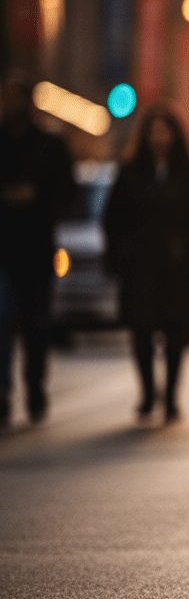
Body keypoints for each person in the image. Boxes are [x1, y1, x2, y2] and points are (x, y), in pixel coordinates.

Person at [103, 102, 189, 424]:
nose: (159, 137)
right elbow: (114, 218)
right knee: (140, 331)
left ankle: (171, 398)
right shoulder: (130, 173)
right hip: (140, 268)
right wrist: (121, 255)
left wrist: (188, 246)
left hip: (177, 268)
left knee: (176, 332)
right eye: (154, 131)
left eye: (164, 131)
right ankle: (147, 392)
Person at [0, 72, 75, 426]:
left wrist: (36, 196)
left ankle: (34, 387)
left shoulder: (49, 146)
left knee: (35, 324)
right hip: (5, 249)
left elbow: (67, 193)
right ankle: (2, 394)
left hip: (36, 248)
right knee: (2, 322)